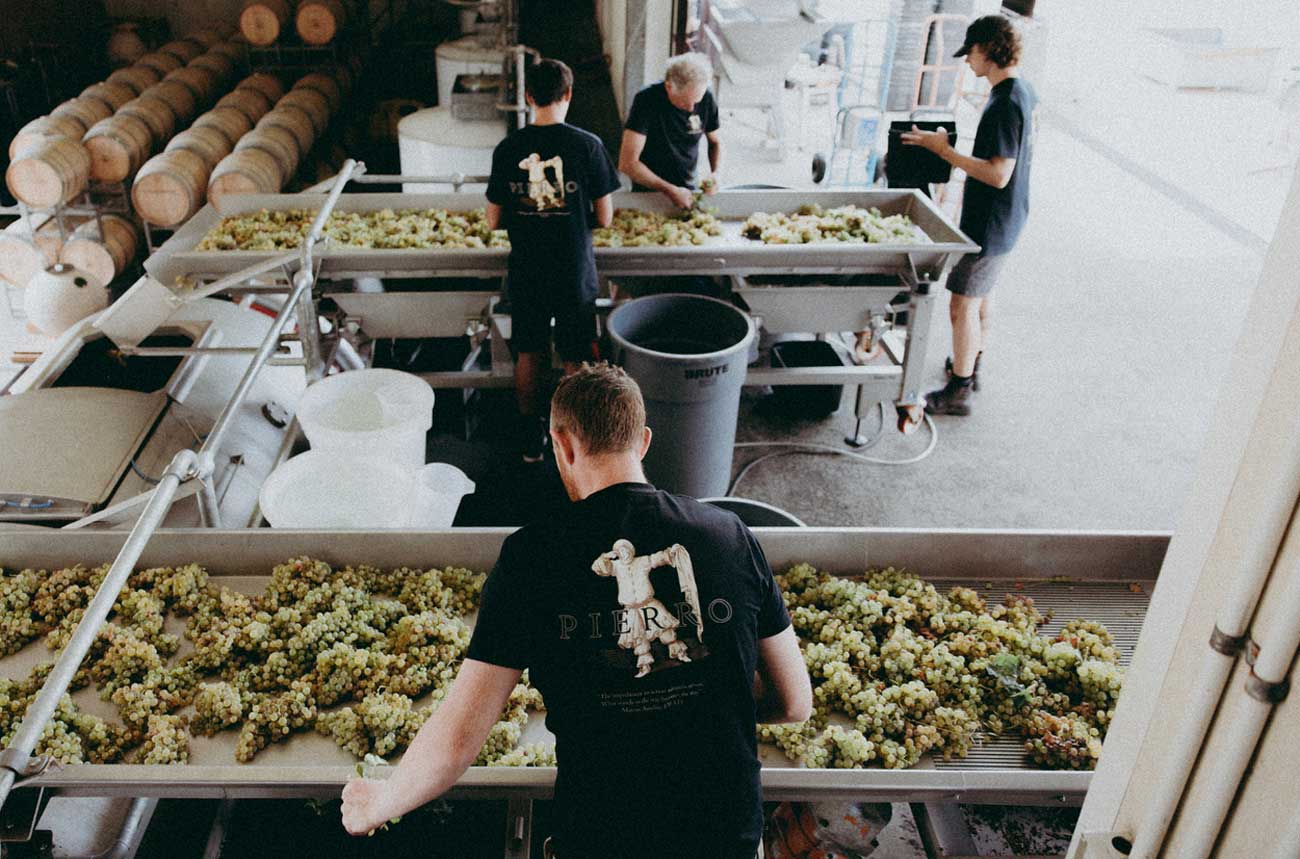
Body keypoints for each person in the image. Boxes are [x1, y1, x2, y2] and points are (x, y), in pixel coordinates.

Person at [341, 364, 814, 859]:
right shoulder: (729, 535)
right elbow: (794, 702)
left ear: (562, 445)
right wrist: (699, 699)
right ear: (644, 442)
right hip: (726, 843)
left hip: (604, 842)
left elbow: (459, 739)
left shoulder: (532, 559)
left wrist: (380, 803)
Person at [486, 58, 622, 462]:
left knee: (529, 352)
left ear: (528, 97)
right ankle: (574, 442)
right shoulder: (588, 145)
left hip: (527, 269)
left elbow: (493, 219)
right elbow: (605, 216)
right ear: (568, 95)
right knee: (575, 356)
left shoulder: (508, 148)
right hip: (572, 270)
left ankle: (531, 441)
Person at [901, 15, 1037, 416]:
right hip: (1009, 216)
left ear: (989, 50)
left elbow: (997, 174)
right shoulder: (1021, 91)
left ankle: (959, 390)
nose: (967, 62)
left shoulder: (1005, 103)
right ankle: (971, 366)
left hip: (991, 221)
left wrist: (942, 151)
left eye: (971, 53)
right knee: (980, 300)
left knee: (961, 303)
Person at [619, 52, 722, 208]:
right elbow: (628, 163)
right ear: (669, 87)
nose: (692, 109)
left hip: (689, 188)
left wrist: (716, 173)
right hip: (650, 191)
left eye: (697, 102)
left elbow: (715, 142)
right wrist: (669, 190)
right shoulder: (646, 100)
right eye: (686, 102)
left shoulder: (706, 97)